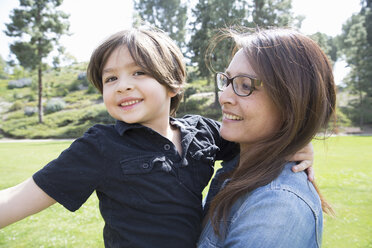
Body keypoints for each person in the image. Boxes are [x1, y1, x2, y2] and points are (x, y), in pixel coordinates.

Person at [0, 26, 313, 248]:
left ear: (173, 83)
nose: (122, 85)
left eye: (139, 72)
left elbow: (257, 143)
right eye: (111, 78)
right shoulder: (99, 146)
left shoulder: (203, 131)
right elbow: (17, 198)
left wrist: (298, 144)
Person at [197, 28, 336, 248]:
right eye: (227, 81)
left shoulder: (278, 205)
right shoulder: (237, 172)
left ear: (291, 101)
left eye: (245, 86)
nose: (224, 97)